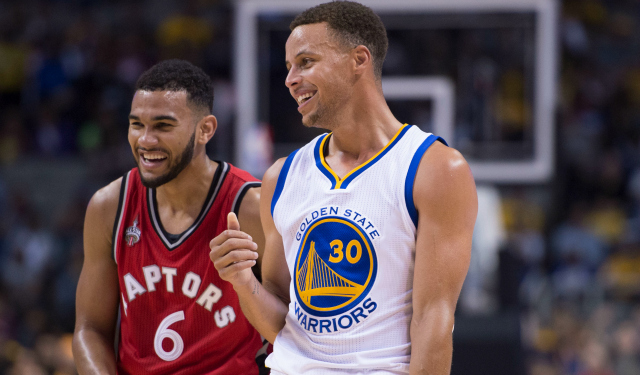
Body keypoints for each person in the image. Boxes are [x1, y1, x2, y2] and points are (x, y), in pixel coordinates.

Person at [209, 1, 478, 374]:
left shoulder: (435, 170)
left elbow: (434, 324)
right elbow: (281, 323)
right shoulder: (280, 177)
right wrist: (242, 281)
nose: (290, 79)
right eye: (288, 67)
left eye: (305, 62)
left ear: (359, 59)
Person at [73, 59, 267, 374]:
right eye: (137, 124)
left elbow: (290, 327)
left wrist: (248, 285)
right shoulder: (109, 207)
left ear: (205, 129)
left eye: (163, 126)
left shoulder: (250, 207)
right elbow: (90, 328)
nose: (146, 140)